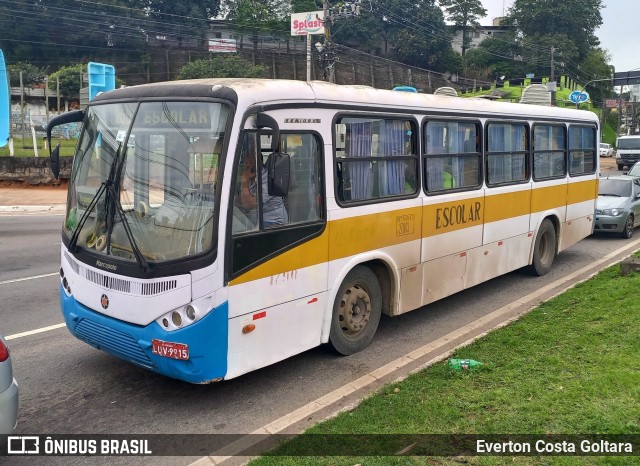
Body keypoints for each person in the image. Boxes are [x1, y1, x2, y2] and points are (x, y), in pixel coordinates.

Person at [236, 135, 288, 229]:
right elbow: (240, 201)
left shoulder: (269, 179)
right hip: (256, 220)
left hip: (273, 223)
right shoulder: (251, 177)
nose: (245, 163)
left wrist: (244, 181)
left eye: (248, 160)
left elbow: (248, 204)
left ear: (256, 161)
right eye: (244, 159)